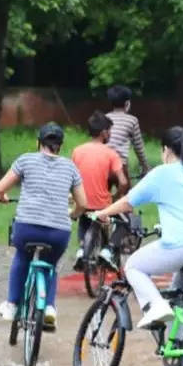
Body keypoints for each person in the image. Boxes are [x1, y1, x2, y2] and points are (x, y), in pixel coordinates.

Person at [91, 126, 183, 336]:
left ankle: (155, 306)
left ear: (167, 150)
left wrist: (102, 213)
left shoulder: (162, 173)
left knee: (133, 265)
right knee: (178, 303)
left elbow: (128, 201)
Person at [0, 122, 90, 330]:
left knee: (22, 256)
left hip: (27, 227)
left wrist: (1, 197)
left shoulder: (25, 160)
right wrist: (73, 214)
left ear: (39, 143)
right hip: (58, 232)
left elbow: (0, 187)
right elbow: (83, 203)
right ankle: (49, 309)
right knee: (50, 264)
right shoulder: (70, 167)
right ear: (60, 146)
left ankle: (11, 304)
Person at [70, 111, 130, 271]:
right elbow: (123, 182)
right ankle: (109, 250)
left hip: (81, 202)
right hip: (102, 204)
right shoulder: (111, 154)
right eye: (109, 131)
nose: (110, 134)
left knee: (84, 218)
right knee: (126, 222)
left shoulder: (77, 151)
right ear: (104, 132)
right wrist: (116, 198)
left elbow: (71, 176)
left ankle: (82, 249)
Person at [105, 85, 150, 177]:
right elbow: (138, 148)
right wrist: (146, 167)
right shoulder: (132, 120)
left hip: (103, 163)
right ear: (127, 103)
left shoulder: (105, 118)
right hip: (120, 164)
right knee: (126, 190)